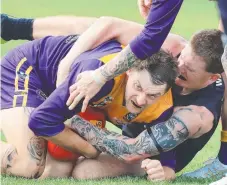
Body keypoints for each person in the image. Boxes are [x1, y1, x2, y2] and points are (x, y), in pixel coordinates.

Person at [1, 14, 225, 181]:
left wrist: (159, 169)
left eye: (188, 71)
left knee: (57, 170)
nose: (179, 67)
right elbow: (106, 25)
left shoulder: (190, 111)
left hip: (70, 96)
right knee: (29, 165)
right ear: (128, 68)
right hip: (31, 72)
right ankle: (8, 26)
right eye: (181, 58)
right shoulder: (100, 75)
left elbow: (157, 161)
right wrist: (89, 149)